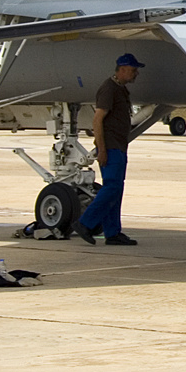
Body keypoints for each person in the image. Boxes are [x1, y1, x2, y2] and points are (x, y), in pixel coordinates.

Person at [72, 53, 144, 246]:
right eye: (133, 69)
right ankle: (85, 223)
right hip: (111, 147)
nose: (136, 73)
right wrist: (101, 149)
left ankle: (112, 233)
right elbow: (97, 119)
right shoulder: (109, 89)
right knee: (112, 186)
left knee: (116, 189)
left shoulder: (120, 89)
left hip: (119, 146)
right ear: (121, 69)